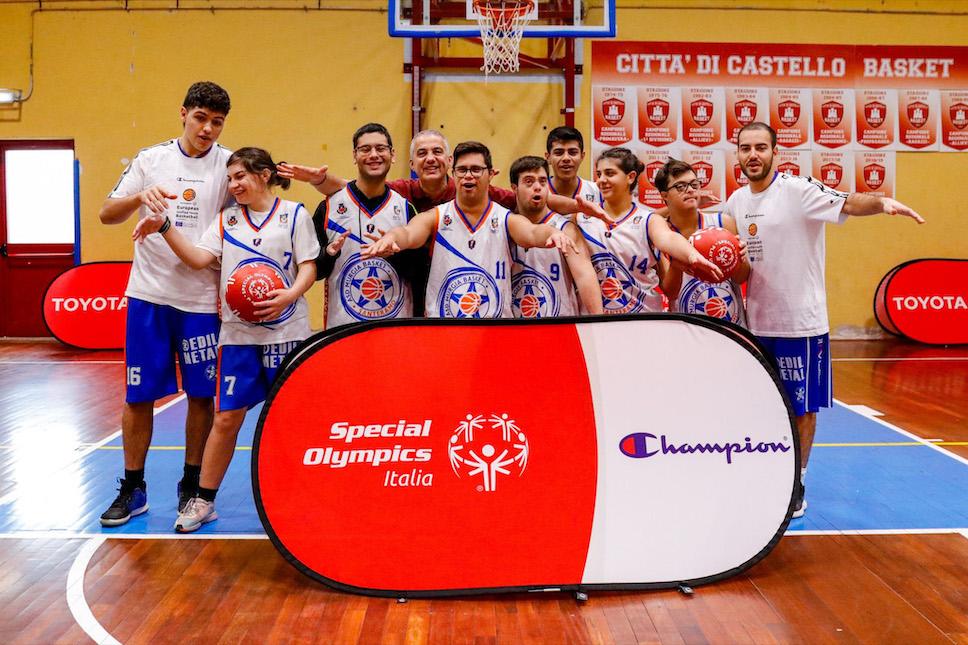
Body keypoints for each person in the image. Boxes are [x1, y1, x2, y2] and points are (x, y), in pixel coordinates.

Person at [725, 121, 924, 518]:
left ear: (775, 152)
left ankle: (796, 482)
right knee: (765, 404)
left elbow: (849, 202)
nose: (753, 155)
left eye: (760, 147)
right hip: (757, 322)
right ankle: (770, 473)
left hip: (802, 323)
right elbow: (744, 271)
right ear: (738, 154)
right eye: (745, 148)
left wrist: (882, 203)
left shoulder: (798, 191)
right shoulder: (735, 202)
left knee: (802, 409)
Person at [132, 147, 319, 532]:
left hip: (289, 333)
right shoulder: (226, 220)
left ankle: (301, 498)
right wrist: (165, 228)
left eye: (240, 177)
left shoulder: (294, 214)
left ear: (264, 175)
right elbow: (199, 260)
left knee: (290, 418)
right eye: (230, 178)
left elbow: (309, 267)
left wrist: (291, 293)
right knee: (227, 417)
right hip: (238, 337)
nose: (233, 185)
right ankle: (204, 500)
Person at [97, 81, 232, 526]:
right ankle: (133, 487)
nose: (207, 129)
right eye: (200, 118)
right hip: (149, 297)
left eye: (216, 122)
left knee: (200, 396)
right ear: (183, 113)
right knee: (138, 396)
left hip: (200, 299)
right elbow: (107, 213)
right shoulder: (150, 159)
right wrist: (141, 197)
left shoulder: (228, 165)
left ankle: (191, 484)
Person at [362, 141, 578, 318]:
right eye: (462, 170)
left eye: (476, 169)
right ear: (453, 174)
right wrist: (392, 237)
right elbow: (408, 233)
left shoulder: (505, 218)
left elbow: (531, 233)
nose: (468, 176)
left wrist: (553, 233)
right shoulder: (436, 217)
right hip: (444, 332)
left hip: (494, 333)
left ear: (491, 174)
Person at [278, 129, 605, 218]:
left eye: (437, 152)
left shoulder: (474, 190)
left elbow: (538, 199)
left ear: (449, 161)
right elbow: (351, 191)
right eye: (422, 153)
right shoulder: (400, 190)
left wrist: (578, 206)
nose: (430, 158)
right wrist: (317, 179)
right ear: (411, 163)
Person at [577, 147, 722, 314]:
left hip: (644, 321)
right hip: (597, 324)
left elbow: (667, 238)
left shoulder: (649, 220)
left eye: (609, 173)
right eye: (599, 174)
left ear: (630, 177)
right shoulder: (582, 218)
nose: (601, 180)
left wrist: (691, 255)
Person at [314, 123, 425, 328]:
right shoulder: (328, 208)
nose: (374, 154)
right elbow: (314, 271)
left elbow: (420, 274)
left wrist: (395, 255)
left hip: (394, 332)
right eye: (365, 149)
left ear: (392, 154)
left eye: (380, 148)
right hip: (342, 331)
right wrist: (329, 255)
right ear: (354, 155)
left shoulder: (405, 208)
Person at [654, 158, 750, 326]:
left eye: (694, 184)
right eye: (680, 186)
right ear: (664, 195)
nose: (690, 190)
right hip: (687, 333)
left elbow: (741, 277)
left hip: (731, 329)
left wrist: (739, 259)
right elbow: (670, 292)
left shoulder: (722, 223)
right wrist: (677, 263)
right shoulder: (660, 235)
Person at [508, 155, 603, 317]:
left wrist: (599, 321)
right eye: (529, 182)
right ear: (514, 188)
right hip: (516, 327)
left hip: (561, 325)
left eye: (543, 181)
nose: (537, 187)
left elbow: (584, 276)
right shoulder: (506, 224)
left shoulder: (566, 228)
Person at [544, 126, 601, 204]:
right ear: (548, 157)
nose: (566, 158)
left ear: (582, 156)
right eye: (559, 153)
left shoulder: (597, 192)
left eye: (573, 152)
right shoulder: (537, 192)